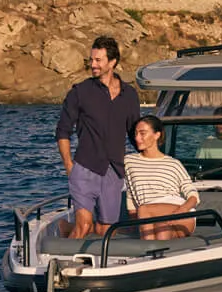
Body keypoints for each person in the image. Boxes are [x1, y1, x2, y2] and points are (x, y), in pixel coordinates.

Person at [55, 35, 141, 239]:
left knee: (105, 231)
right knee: (83, 225)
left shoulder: (130, 95)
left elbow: (134, 132)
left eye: (98, 60)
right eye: (91, 60)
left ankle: (67, 230)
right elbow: (63, 131)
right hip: (85, 168)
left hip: (114, 172)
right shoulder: (80, 92)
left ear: (112, 62)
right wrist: (69, 165)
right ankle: (66, 266)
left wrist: (151, 158)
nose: (92, 64)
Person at [124, 115, 200, 240]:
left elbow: (193, 196)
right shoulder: (129, 161)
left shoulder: (173, 163)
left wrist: (182, 211)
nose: (137, 138)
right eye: (136, 133)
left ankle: (147, 252)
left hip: (180, 214)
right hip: (150, 218)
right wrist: (132, 219)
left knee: (143, 210)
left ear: (156, 135)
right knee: (162, 232)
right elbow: (131, 194)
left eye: (142, 133)